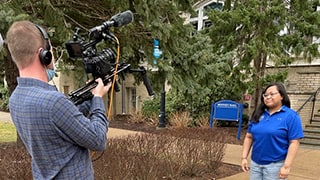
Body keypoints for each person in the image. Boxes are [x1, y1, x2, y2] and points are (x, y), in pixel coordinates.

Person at [6, 20, 111, 179]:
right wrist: (97, 98)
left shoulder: (16, 98)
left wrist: (89, 95)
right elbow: (98, 139)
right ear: (44, 55)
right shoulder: (53, 102)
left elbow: (63, 122)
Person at [241, 82, 304, 180]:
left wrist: (286, 166)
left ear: (282, 96)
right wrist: (244, 158)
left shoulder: (291, 116)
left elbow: (294, 143)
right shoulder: (258, 114)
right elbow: (249, 137)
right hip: (255, 164)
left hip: (275, 166)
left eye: (272, 94)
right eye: (265, 95)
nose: (268, 97)